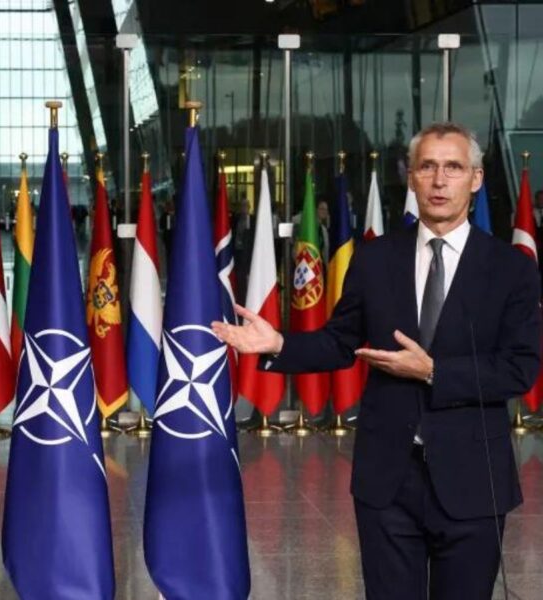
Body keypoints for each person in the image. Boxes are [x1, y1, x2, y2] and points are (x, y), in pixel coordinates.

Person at [213, 122, 541, 599]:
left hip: (473, 481)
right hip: (388, 480)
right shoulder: (374, 258)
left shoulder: (511, 268)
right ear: (411, 178)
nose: (439, 180)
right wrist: (279, 343)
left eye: (453, 167)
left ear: (475, 178)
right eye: (427, 167)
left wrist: (432, 371)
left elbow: (519, 368)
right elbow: (340, 342)